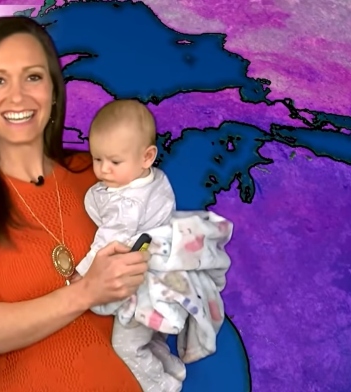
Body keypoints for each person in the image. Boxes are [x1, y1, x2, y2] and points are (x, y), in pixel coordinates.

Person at [0, 15, 251, 392]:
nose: (17, 97)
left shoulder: (101, 174)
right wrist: (86, 292)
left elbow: (163, 238)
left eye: (33, 77)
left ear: (54, 90)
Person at [75, 100, 233, 392]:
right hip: (168, 270)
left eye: (114, 162)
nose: (103, 170)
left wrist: (82, 274)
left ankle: (161, 386)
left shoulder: (127, 203)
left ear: (147, 156)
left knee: (127, 346)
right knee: (151, 337)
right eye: (97, 159)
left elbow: (110, 238)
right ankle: (171, 367)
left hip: (147, 285)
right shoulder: (152, 178)